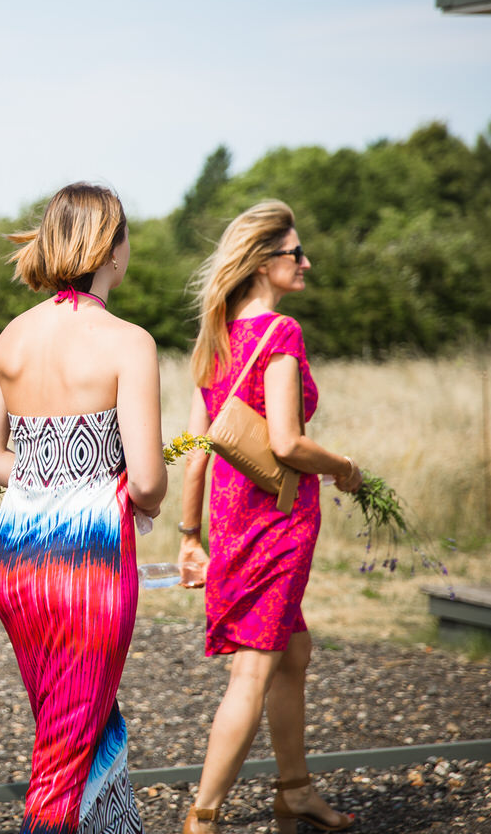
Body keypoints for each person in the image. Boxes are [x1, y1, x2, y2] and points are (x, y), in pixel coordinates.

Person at [0, 182, 166, 834]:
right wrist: (97, 485)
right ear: (113, 250)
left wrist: (50, 478)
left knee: (74, 722)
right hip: (91, 559)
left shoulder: (11, 339)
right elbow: (145, 482)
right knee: (64, 749)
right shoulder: (128, 342)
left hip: (20, 553)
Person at [175, 201, 360, 834]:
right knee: (252, 669)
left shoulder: (217, 336)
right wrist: (343, 466)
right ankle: (202, 818)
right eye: (295, 253)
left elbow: (196, 452)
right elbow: (285, 444)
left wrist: (190, 535)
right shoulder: (281, 334)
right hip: (275, 521)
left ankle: (295, 791)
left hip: (230, 519)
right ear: (263, 262)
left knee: (294, 652)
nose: (305, 263)